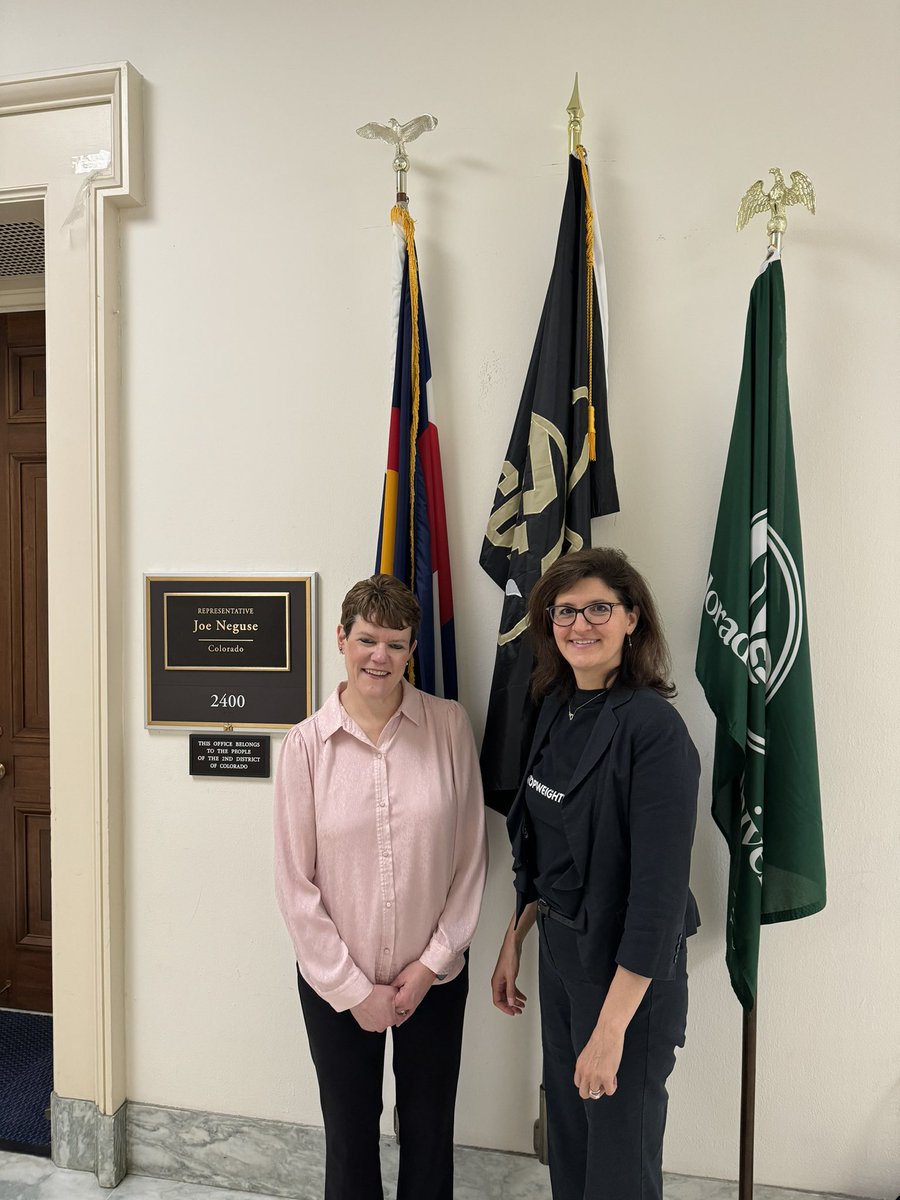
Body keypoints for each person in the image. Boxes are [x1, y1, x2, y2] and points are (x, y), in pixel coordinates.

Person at [490, 547, 700, 1200]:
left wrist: (611, 1033)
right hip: (561, 955)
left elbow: (658, 901)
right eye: (565, 611)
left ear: (633, 618)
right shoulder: (555, 706)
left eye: (599, 608)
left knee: (617, 1167)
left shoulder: (655, 732)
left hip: (627, 976)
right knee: (573, 1150)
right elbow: (546, 844)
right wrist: (516, 935)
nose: (581, 624)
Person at [274, 574, 487, 1200]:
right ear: (341, 638)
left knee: (429, 1133)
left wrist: (431, 965)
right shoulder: (305, 746)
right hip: (336, 984)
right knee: (348, 1137)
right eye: (367, 640)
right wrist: (351, 989)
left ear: (412, 650)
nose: (380, 657)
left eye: (396, 644)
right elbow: (295, 883)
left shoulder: (448, 727)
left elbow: (470, 858)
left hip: (435, 981)